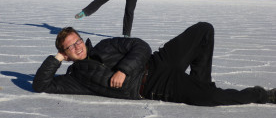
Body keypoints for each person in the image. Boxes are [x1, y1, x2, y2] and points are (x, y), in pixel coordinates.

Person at [32, 22, 276, 106]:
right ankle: (262, 96)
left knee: (204, 30)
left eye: (76, 41)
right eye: (69, 47)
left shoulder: (105, 46)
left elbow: (140, 46)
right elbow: (40, 84)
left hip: (158, 61)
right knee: (210, 99)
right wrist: (56, 60)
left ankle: (200, 84)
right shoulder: (75, 79)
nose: (76, 47)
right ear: (64, 53)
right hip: (153, 85)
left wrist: (122, 69)